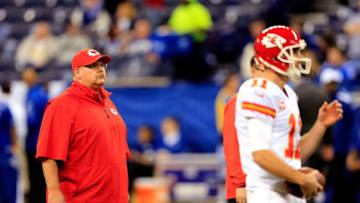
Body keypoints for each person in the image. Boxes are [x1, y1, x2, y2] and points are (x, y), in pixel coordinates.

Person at [235, 25, 343, 203]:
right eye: (293, 52)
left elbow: (294, 154)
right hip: (266, 192)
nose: (299, 58)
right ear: (273, 56)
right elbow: (260, 154)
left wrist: (320, 125)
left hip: (285, 191)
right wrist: (301, 178)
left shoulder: (288, 93)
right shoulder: (258, 90)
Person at [36, 48, 130, 202]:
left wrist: (123, 189)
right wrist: (54, 191)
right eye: (93, 66)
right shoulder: (62, 105)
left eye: (102, 65)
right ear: (77, 72)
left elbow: (120, 153)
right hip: (83, 197)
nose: (100, 69)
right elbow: (49, 154)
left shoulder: (108, 103)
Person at [223, 57, 264, 203]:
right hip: (244, 188)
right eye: (262, 69)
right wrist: (240, 183)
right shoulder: (238, 101)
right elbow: (231, 144)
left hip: (264, 185)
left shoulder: (274, 100)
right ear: (253, 71)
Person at [23, 68, 48, 203]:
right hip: (44, 142)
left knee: (35, 178)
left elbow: (30, 120)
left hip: (33, 143)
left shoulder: (32, 96)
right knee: (43, 178)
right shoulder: (43, 94)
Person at [0, 99, 18, 203]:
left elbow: (11, 127)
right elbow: (12, 127)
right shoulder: (4, 106)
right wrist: (14, 145)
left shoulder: (4, 107)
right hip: (6, 150)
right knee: (9, 186)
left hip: (5, 151)